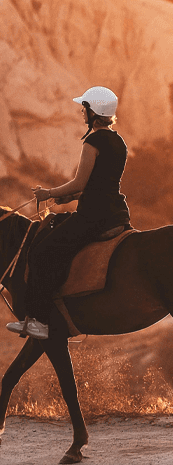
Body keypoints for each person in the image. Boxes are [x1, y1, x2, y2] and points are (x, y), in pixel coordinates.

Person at [7, 86, 131, 340]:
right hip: (116, 213)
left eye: (83, 108)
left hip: (93, 217)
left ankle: (41, 321)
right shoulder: (119, 142)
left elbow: (80, 183)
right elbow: (100, 183)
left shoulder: (93, 141)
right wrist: (69, 197)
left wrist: (48, 193)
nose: (80, 113)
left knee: (40, 252)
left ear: (93, 112)